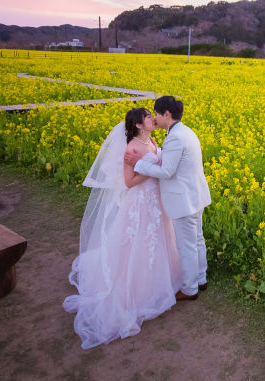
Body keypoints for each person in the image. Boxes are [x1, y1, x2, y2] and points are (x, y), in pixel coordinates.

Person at [63, 108, 182, 349]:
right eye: (148, 116)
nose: (152, 118)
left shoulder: (151, 140)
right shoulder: (131, 149)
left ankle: (162, 283)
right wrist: (151, 171)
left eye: (152, 115)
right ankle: (134, 291)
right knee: (137, 244)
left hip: (157, 201)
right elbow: (128, 183)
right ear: (139, 125)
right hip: (141, 203)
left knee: (159, 240)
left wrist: (155, 167)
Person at [125, 96, 211, 301]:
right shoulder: (185, 131)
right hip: (195, 195)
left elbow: (166, 171)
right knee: (197, 240)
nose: (154, 118)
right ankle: (201, 279)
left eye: (156, 113)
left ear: (167, 114)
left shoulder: (175, 137)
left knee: (187, 245)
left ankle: (190, 289)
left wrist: (139, 163)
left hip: (183, 200)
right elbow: (175, 158)